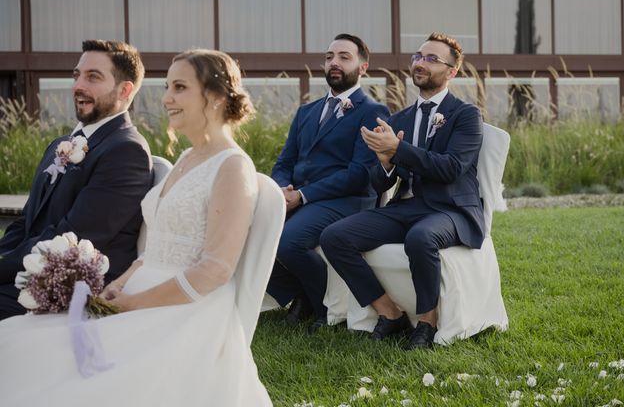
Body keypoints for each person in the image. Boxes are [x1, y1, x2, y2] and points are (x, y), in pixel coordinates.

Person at [0, 49, 276, 406]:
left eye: (179, 87)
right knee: (19, 342)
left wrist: (134, 305)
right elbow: (154, 250)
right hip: (137, 293)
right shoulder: (188, 159)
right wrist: (118, 284)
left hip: (184, 311)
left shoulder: (232, 167)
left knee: (47, 370)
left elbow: (215, 270)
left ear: (216, 96)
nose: (166, 98)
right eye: (167, 87)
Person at [321, 32, 485, 350]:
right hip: (406, 208)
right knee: (334, 237)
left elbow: (451, 168)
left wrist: (398, 149)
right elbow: (380, 184)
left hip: (450, 210)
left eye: (431, 58)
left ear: (452, 71)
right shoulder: (399, 119)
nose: (420, 63)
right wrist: (385, 162)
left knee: (420, 237)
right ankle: (389, 312)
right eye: (417, 57)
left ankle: (427, 321)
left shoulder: (465, 115)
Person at [0, 40, 153, 320]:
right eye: (76, 76)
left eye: (92, 77)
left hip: (76, 289)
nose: (77, 86)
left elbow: (73, 237)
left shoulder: (126, 151)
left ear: (125, 89)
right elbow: (26, 222)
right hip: (35, 272)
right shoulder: (61, 144)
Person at [267, 33, 390, 331]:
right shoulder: (306, 112)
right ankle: (298, 295)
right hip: (300, 197)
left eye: (344, 57)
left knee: (288, 242)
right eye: (329, 56)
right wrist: (281, 189)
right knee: (246, 232)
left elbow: (359, 173)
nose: (334, 62)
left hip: (347, 200)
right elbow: (285, 162)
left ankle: (322, 308)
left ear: (362, 67)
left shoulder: (372, 111)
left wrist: (304, 195)